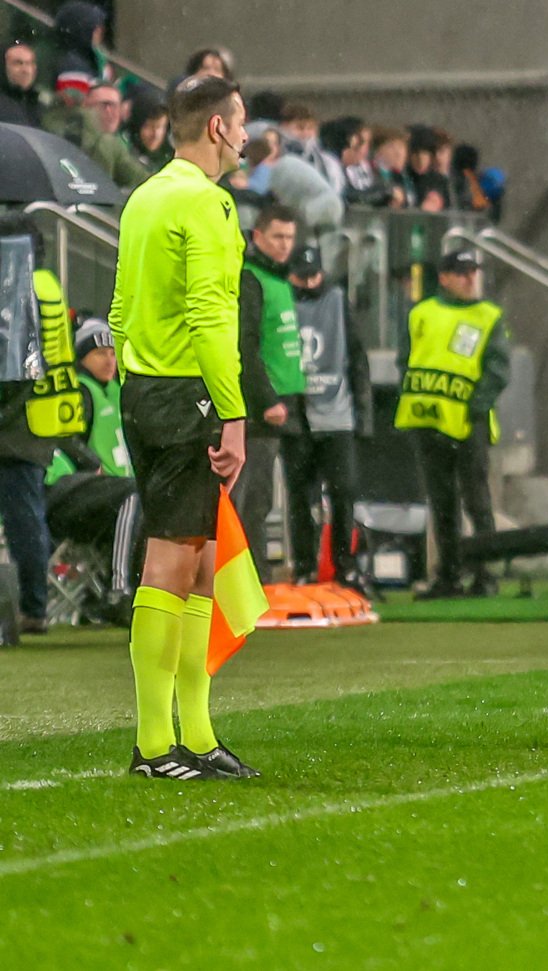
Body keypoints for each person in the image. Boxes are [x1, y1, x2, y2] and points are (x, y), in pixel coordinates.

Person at [109, 73, 258, 779]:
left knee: (198, 561)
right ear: (220, 129)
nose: (248, 134)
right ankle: (151, 743)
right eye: (243, 121)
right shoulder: (207, 202)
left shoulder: (144, 196)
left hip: (144, 386)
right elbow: (209, 314)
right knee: (172, 558)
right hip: (185, 394)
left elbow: (118, 306)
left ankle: (195, 736)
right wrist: (232, 413)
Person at [395, 248, 507, 598]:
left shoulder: (488, 316)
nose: (470, 278)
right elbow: (405, 360)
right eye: (462, 272)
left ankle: (485, 573)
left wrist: (475, 406)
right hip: (426, 422)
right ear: (443, 277)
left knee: (477, 501)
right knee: (442, 502)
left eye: (473, 272)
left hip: (468, 424)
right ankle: (449, 573)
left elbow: (498, 369)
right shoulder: (421, 314)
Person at [0, 224, 87, 638]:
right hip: (36, 421)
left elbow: (17, 369)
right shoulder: (46, 286)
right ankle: (33, 606)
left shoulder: (19, 292)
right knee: (27, 520)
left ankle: (32, 610)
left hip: (14, 425)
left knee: (23, 522)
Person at [283, 244, 372, 591]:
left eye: (313, 275)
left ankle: (343, 566)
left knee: (343, 494)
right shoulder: (283, 302)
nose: (307, 282)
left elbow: (357, 358)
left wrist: (362, 417)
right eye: (301, 276)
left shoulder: (337, 301)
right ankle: (304, 567)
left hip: (337, 416)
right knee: (299, 498)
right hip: (298, 417)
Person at [43, 318, 141, 624]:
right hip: (69, 488)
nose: (109, 360)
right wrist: (90, 463)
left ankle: (137, 592)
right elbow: (63, 435)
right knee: (135, 494)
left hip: (104, 494)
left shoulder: (114, 391)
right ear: (82, 356)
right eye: (100, 353)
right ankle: (119, 591)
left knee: (149, 495)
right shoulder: (79, 390)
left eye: (113, 353)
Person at [235, 205, 304, 577]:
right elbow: (245, 346)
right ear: (257, 236)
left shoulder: (278, 280)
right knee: (252, 501)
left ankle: (258, 579)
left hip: (283, 403)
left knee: (264, 500)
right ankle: (252, 582)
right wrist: (265, 400)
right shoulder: (251, 280)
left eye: (290, 238)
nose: (284, 245)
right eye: (277, 237)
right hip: (259, 410)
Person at [51, 0, 113, 103]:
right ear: (83, 30)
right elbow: (76, 106)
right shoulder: (72, 65)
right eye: (95, 28)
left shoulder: (91, 61)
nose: (100, 34)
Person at [124, 87, 172, 176]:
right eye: (149, 126)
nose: (155, 135)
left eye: (160, 127)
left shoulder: (172, 160)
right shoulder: (121, 152)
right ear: (137, 126)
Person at [0, 40, 45, 128]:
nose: (25, 70)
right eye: (18, 63)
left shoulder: (41, 108)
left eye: (29, 63)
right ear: (4, 67)